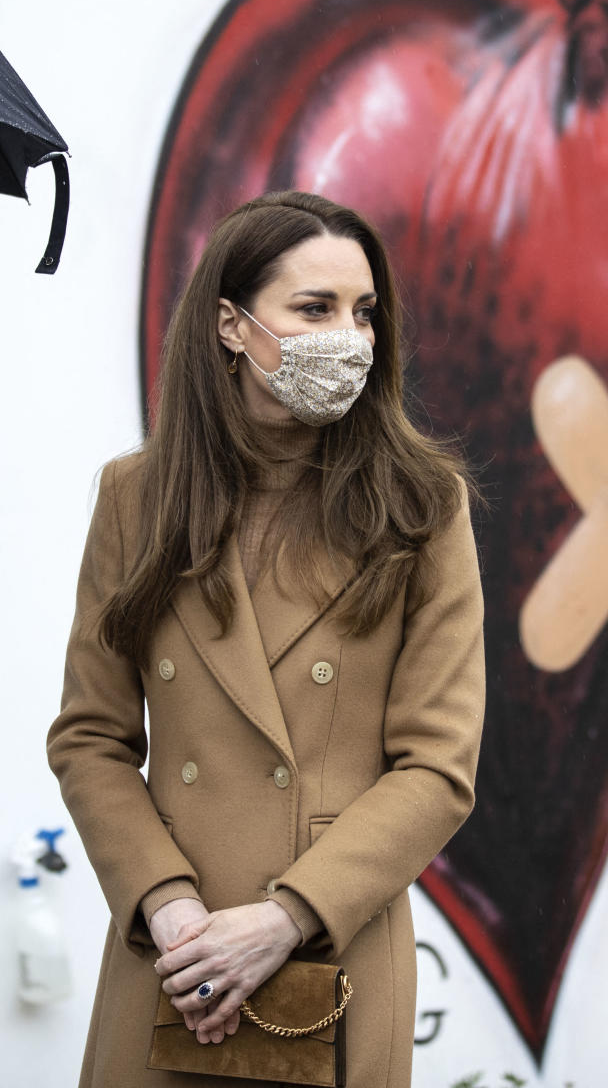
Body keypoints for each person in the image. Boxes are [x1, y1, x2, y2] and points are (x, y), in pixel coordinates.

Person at [47, 191, 486, 1088]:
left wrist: (286, 916)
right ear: (231, 326)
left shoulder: (420, 504)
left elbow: (437, 765)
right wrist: (168, 906)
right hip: (175, 956)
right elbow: (91, 738)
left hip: (333, 949)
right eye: (315, 309)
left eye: (365, 312)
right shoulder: (138, 498)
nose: (352, 337)